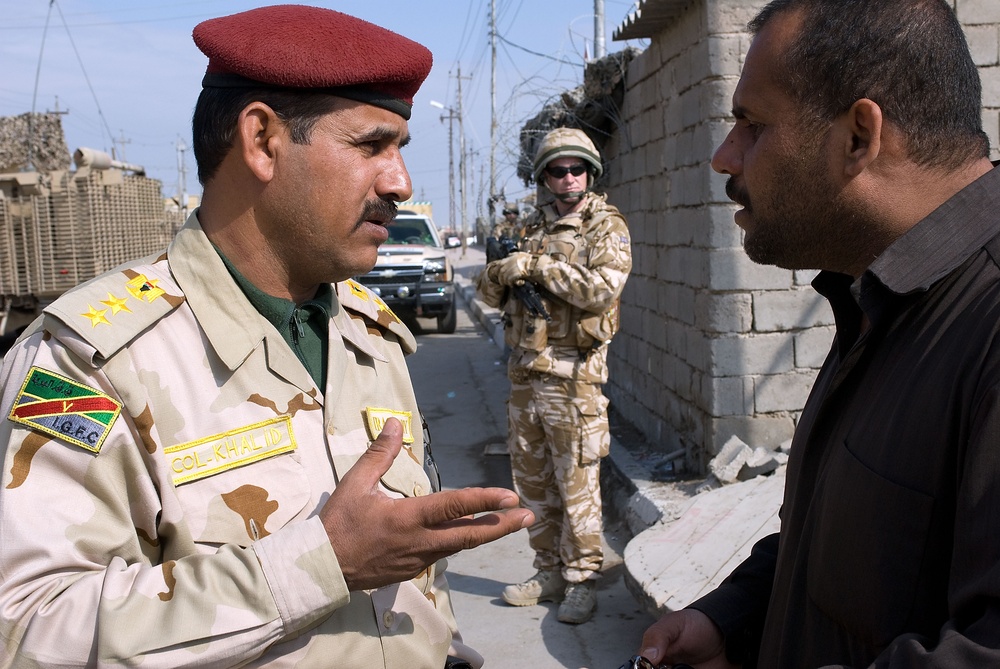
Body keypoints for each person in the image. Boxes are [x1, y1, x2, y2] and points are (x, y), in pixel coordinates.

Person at [0, 5, 533, 668]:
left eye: (400, 150)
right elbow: (27, 630)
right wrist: (318, 563)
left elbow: (414, 582)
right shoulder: (86, 363)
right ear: (262, 141)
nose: (400, 182)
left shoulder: (370, 336)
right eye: (372, 145)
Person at [635, 0, 1000, 667]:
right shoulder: (880, 298)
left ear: (860, 135)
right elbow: (841, 546)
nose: (724, 158)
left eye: (752, 125)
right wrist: (734, 617)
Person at [475, 127, 632, 624]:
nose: (567, 179)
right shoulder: (529, 228)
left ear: (589, 173)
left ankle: (581, 580)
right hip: (527, 376)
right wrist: (502, 273)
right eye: (556, 170)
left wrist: (537, 269)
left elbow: (602, 290)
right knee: (534, 483)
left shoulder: (606, 227)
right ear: (544, 176)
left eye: (576, 169)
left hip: (574, 379)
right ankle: (547, 572)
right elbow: (487, 293)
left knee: (577, 484)